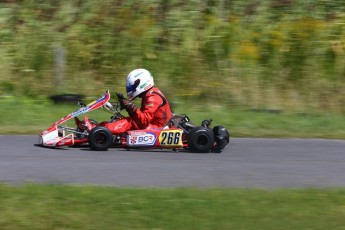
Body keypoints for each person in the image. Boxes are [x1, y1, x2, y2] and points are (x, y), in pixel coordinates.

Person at [103, 68, 173, 134]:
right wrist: (128, 107)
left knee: (130, 122)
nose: (131, 89)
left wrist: (132, 108)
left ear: (142, 82)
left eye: (133, 86)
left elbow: (143, 121)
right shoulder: (149, 94)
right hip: (153, 126)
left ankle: (104, 130)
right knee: (120, 119)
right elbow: (139, 118)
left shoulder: (153, 97)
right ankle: (99, 127)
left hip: (158, 129)